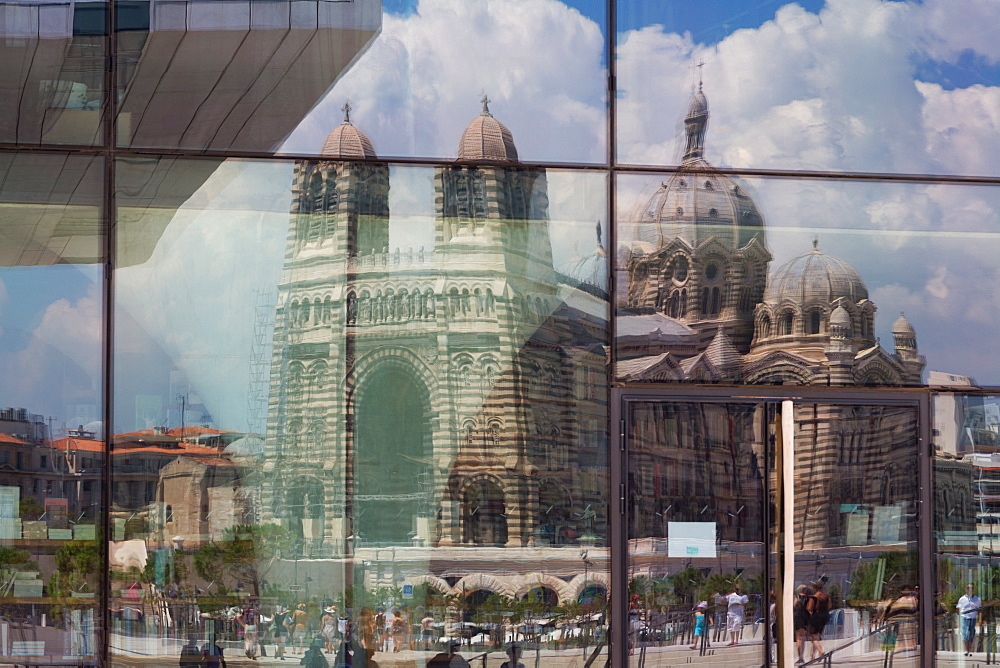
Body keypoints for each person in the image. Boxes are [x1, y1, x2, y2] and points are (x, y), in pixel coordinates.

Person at [808, 580, 831, 661]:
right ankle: (812, 656)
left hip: (815, 617)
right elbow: (829, 606)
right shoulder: (826, 596)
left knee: (811, 637)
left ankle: (820, 650)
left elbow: (809, 608)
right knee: (816, 637)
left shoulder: (813, 597)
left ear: (814, 588)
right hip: (824, 617)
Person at [957, 583, 982, 656]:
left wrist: (980, 620)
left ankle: (968, 649)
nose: (969, 590)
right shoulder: (962, 599)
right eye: (968, 588)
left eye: (971, 588)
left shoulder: (977, 599)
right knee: (965, 633)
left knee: (971, 634)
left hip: (973, 618)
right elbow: (958, 610)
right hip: (964, 617)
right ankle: (966, 649)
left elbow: (979, 610)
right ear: (966, 589)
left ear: (973, 589)